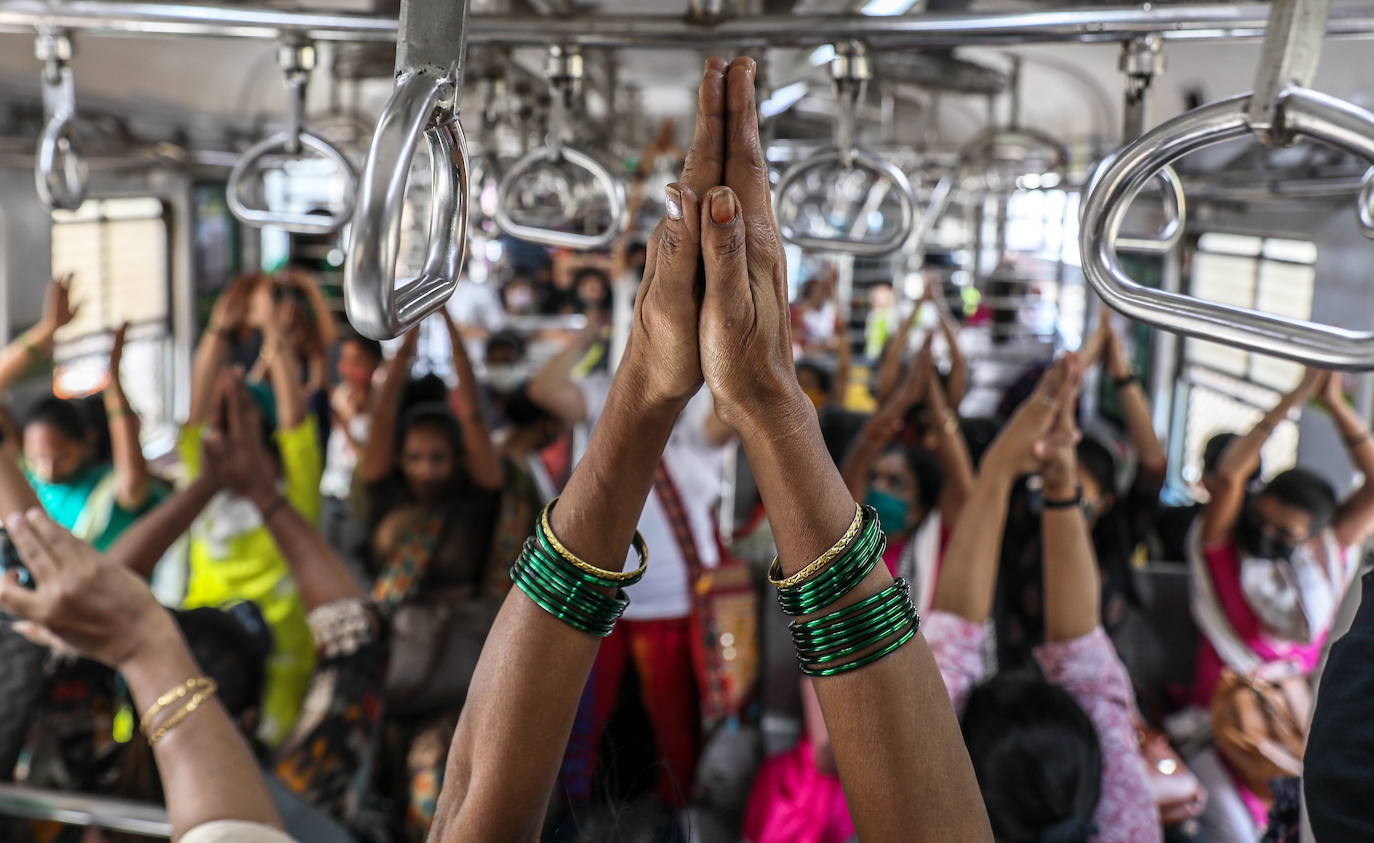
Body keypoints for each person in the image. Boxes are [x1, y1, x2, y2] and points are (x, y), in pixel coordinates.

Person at [429, 54, 990, 843]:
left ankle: (672, 809)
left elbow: (467, 808)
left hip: (667, 595)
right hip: (642, 591)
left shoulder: (647, 411)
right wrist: (767, 392)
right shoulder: (596, 398)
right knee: (593, 730)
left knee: (666, 723)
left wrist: (641, 381)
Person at [928, 354, 1161, 843]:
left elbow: (951, 643)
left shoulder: (920, 819)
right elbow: (1090, 671)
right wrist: (1060, 487)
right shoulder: (1124, 827)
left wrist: (997, 470)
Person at [0, 504, 290, 841]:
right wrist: (146, 646)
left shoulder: (95, 769)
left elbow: (74, 600)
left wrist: (146, 644)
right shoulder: (297, 805)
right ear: (251, 720)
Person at [1188, 367, 1374, 836]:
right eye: (1261, 523)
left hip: (1293, 722)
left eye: (1284, 534)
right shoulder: (1226, 550)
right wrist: (1295, 397)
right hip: (1222, 722)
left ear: (1310, 540)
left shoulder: (1325, 556)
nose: (1266, 538)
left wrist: (1336, 406)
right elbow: (1231, 475)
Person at [357, 309, 505, 841]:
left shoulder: (475, 500)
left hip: (456, 669)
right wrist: (408, 340)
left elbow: (474, 422)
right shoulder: (384, 496)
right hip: (395, 661)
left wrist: (455, 336)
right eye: (415, 458)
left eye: (439, 458)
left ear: (458, 461)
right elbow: (381, 415)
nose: (426, 469)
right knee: (373, 783)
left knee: (434, 774)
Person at [176, 272, 323, 748]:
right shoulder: (205, 483)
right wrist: (220, 330)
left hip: (280, 660)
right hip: (205, 645)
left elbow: (294, 420)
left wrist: (273, 334)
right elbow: (196, 414)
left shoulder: (291, 496)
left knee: (265, 759)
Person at [841, 335, 974, 611]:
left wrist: (936, 400)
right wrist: (903, 397)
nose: (878, 488)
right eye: (874, 477)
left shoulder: (934, 542)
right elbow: (857, 461)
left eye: (896, 483)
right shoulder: (855, 537)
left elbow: (963, 488)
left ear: (919, 508)